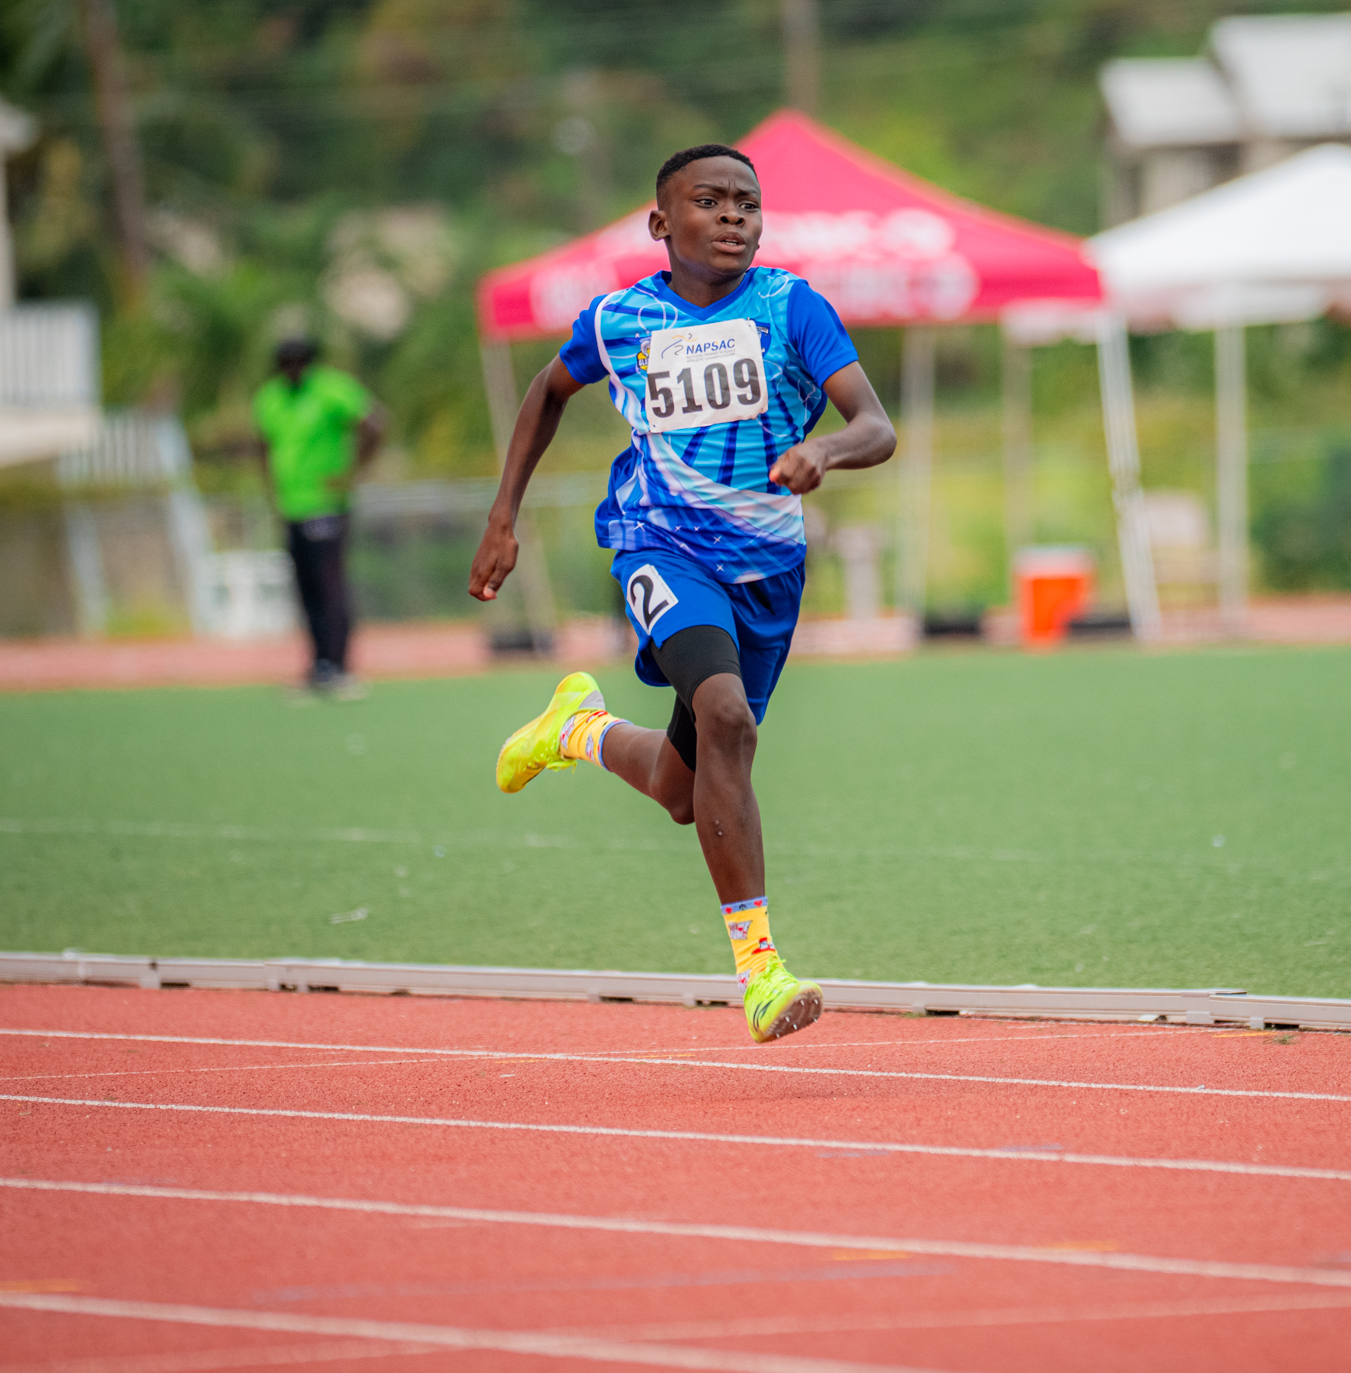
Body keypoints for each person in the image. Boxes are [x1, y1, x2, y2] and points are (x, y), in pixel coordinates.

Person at [468, 144, 896, 1044]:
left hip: (768, 568)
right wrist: (503, 514)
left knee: (680, 787)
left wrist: (824, 449)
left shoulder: (791, 307)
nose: (734, 216)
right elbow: (547, 390)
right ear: (662, 222)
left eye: (748, 203)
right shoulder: (619, 319)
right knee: (726, 716)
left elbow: (875, 424)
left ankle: (577, 730)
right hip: (660, 545)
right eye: (710, 200)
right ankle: (762, 972)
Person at [253, 337, 387, 698]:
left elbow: (375, 424)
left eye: (299, 361)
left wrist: (352, 472)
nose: (292, 369)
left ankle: (339, 665)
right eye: (286, 362)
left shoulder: (332, 389)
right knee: (306, 588)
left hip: (327, 503)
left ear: (310, 362)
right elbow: (264, 444)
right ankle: (318, 665)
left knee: (330, 586)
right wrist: (271, 489)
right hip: (291, 505)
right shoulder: (270, 398)